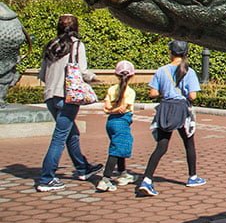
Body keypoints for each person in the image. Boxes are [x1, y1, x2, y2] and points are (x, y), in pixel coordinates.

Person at [36, 14, 101, 192]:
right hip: (68, 96)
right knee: (59, 137)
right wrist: (94, 78)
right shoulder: (77, 45)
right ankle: (46, 177)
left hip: (50, 96)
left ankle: (83, 168)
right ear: (75, 27)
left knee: (71, 132)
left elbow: (42, 74)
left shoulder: (50, 45)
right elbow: (82, 71)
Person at [136, 40, 205, 196]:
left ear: (171, 52)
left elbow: (152, 93)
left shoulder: (161, 71)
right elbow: (193, 96)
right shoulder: (190, 71)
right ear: (186, 53)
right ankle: (192, 177)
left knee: (161, 147)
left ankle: (147, 179)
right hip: (182, 110)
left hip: (165, 108)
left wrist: (166, 92)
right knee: (189, 143)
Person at [97, 61, 137, 192]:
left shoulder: (111, 89)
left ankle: (122, 173)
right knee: (116, 150)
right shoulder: (130, 92)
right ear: (132, 75)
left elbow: (107, 107)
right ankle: (106, 179)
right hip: (121, 122)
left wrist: (110, 111)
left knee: (120, 146)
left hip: (111, 123)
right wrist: (115, 110)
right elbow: (122, 109)